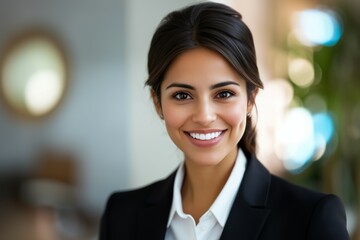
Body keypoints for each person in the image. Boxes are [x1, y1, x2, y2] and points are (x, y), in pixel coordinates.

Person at [99, 2, 349, 240]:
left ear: (251, 98)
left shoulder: (311, 219)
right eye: (182, 95)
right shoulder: (121, 215)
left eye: (224, 94)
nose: (205, 116)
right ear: (157, 102)